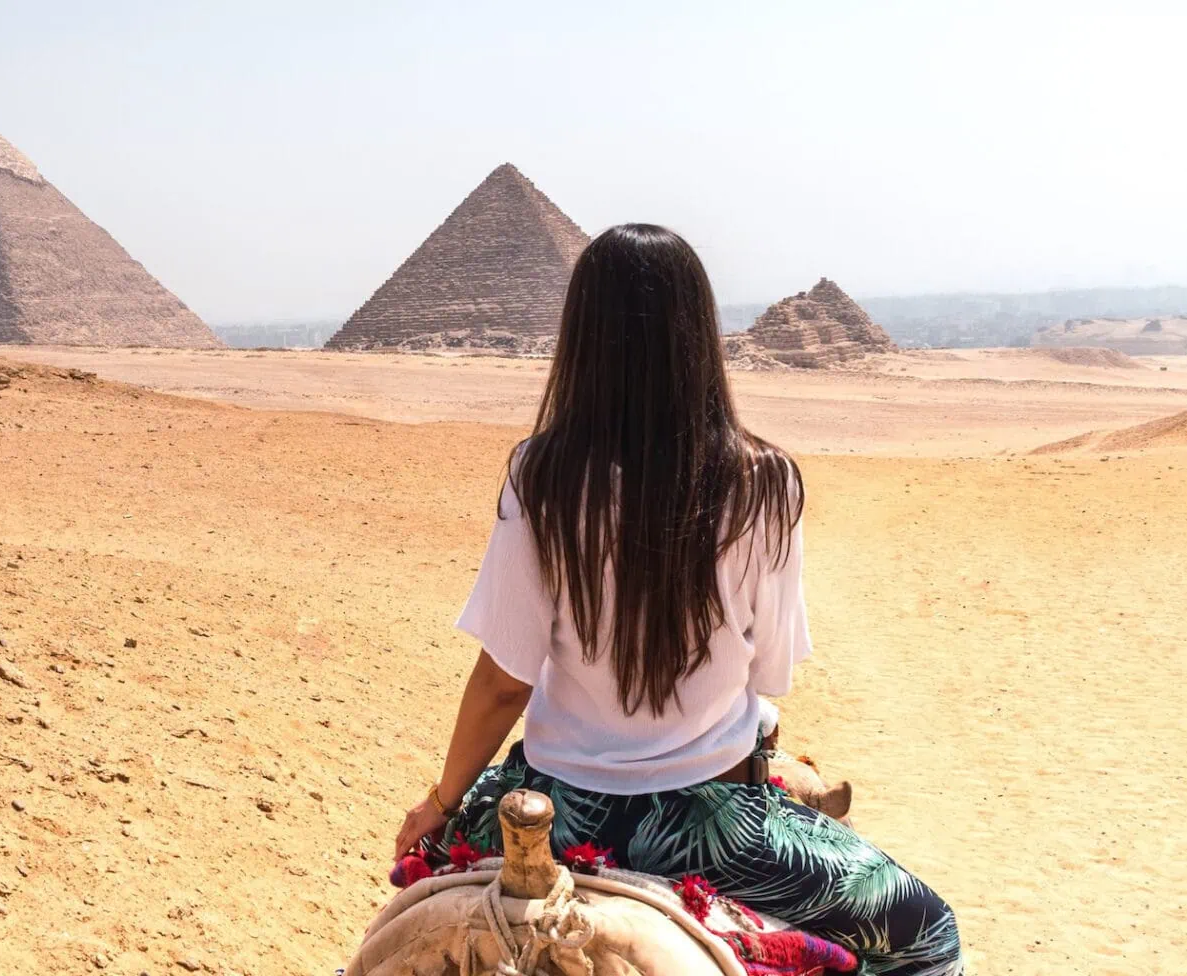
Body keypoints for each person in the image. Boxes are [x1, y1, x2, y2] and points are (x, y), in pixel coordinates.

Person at [392, 224, 963, 976]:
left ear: (582, 337)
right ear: (699, 334)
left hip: (559, 810)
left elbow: (503, 680)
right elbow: (770, 675)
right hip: (713, 824)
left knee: (408, 908)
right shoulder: (766, 482)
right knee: (929, 937)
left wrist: (437, 803)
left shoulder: (541, 476)